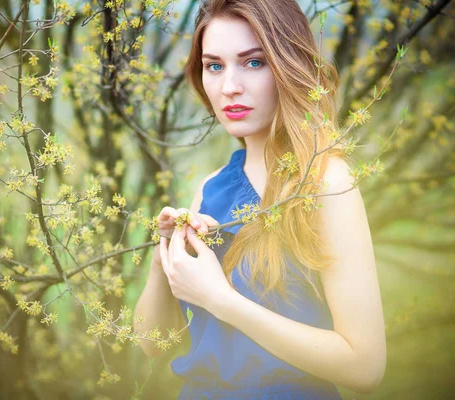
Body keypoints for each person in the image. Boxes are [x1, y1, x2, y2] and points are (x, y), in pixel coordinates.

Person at [134, 0, 386, 398]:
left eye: (253, 62)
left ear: (287, 66)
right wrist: (163, 257)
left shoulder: (324, 181)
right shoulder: (210, 188)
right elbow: (153, 343)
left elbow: (365, 366)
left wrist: (220, 299)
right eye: (214, 65)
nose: (229, 85)